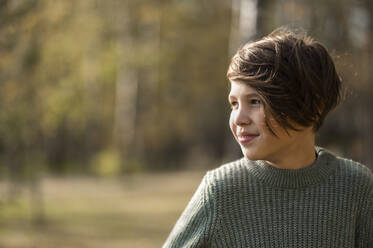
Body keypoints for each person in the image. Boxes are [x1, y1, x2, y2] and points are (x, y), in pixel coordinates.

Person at [163, 27, 373, 248]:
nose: (239, 118)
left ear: (314, 106)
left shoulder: (356, 187)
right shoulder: (219, 191)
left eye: (255, 101)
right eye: (234, 103)